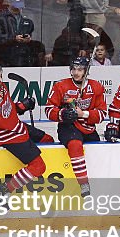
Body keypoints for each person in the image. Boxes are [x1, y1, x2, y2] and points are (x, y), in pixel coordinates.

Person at [0, 61, 49, 198]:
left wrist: (22, 106)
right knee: (39, 167)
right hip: (8, 137)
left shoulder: (2, 88)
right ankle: (3, 190)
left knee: (48, 139)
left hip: (18, 128)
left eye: (0, 76)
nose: (0, 80)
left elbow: (9, 109)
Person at [44, 57, 105, 196]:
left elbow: (102, 114)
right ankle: (83, 183)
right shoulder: (61, 86)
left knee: (98, 151)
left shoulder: (96, 87)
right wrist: (62, 114)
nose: (76, 72)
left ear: (86, 71)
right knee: (75, 145)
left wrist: (83, 114)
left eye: (80, 69)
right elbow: (48, 110)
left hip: (88, 127)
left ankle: (100, 182)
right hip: (68, 127)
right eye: (74, 69)